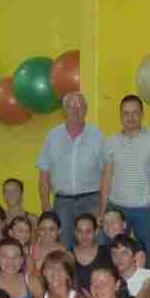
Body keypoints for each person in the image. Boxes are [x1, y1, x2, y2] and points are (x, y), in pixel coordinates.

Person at [98, 94, 150, 269]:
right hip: (116, 208)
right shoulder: (110, 142)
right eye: (126, 113)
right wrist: (102, 211)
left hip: (145, 209)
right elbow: (106, 178)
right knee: (114, 254)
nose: (130, 117)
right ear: (120, 115)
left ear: (142, 114)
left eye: (135, 113)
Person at [37, 91, 104, 249]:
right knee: (63, 248)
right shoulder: (52, 136)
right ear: (64, 110)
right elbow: (44, 173)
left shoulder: (97, 135)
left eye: (80, 106)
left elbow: (106, 174)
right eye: (71, 106)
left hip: (91, 201)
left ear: (86, 109)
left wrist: (102, 207)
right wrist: (46, 207)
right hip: (62, 203)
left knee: (96, 246)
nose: (76, 110)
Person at [72, 213, 112, 293]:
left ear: (96, 232)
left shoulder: (108, 252)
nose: (84, 236)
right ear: (75, 233)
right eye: (80, 231)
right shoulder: (68, 255)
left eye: (88, 231)